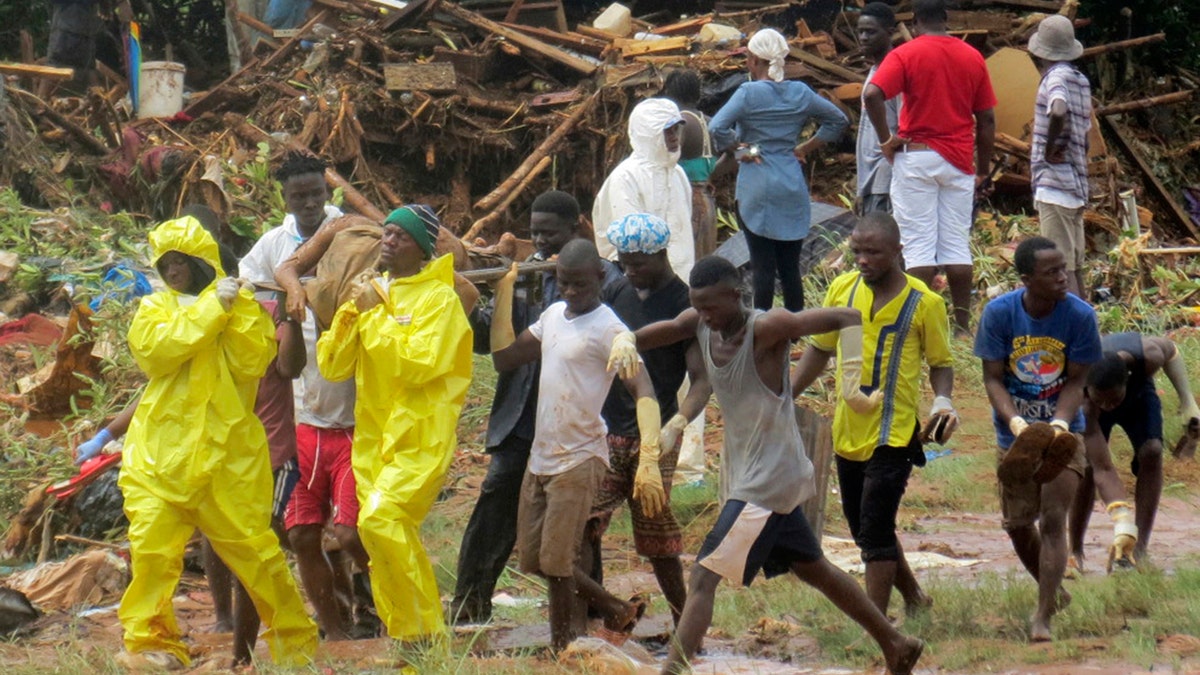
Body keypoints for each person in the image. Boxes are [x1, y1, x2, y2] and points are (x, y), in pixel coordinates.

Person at [610, 256, 922, 675]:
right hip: (750, 472)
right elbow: (661, 333)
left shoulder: (767, 328)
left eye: (711, 307)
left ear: (735, 296)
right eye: (697, 306)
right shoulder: (698, 323)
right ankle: (897, 642)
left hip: (767, 478)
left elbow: (847, 315)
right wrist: (626, 340)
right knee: (817, 570)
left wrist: (851, 386)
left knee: (704, 577)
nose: (705, 316)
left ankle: (672, 672)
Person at [116, 216, 317, 670]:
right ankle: (151, 642)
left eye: (180, 263)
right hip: (159, 458)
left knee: (257, 554)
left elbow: (253, 362)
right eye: (164, 264)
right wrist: (212, 309)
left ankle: (294, 643)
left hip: (227, 459)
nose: (172, 273)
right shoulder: (156, 310)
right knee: (150, 551)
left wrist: (238, 307)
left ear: (199, 261)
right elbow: (157, 353)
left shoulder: (237, 309)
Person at [448, 191, 640, 625]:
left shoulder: (606, 282)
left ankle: (588, 615)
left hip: (578, 424)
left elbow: (625, 358)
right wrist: (480, 297)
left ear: (575, 230)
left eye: (549, 233)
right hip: (521, 416)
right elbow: (493, 345)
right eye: (534, 232)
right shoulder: (524, 275)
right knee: (496, 507)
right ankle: (469, 604)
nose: (539, 241)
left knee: (579, 529)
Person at [490, 239, 661, 651]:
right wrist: (502, 294)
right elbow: (504, 358)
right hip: (542, 456)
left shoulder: (610, 330)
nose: (570, 292)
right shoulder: (551, 316)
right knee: (533, 559)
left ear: (601, 278)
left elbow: (643, 387)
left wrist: (651, 454)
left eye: (580, 285)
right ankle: (616, 608)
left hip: (580, 456)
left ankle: (563, 644)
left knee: (558, 561)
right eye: (564, 283)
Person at [316, 206, 473, 641]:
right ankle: (412, 638)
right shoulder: (374, 294)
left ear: (420, 250)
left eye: (399, 236)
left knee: (381, 521)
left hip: (420, 439)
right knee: (381, 538)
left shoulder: (440, 301)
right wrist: (352, 312)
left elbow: (416, 365)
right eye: (385, 233)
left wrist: (379, 316)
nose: (387, 241)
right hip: (373, 443)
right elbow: (332, 365)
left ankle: (423, 634)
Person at [790, 212, 950, 617]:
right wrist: (785, 394)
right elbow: (821, 349)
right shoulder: (842, 290)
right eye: (857, 251)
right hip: (847, 431)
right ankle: (915, 598)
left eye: (873, 252)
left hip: (894, 433)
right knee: (865, 525)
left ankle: (875, 625)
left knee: (875, 529)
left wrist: (943, 402)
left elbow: (941, 362)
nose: (862, 259)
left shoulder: (924, 302)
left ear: (897, 251)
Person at [240, 152, 368, 641]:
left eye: (316, 193)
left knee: (356, 532)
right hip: (301, 410)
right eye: (299, 196)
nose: (310, 203)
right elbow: (249, 290)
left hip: (356, 407)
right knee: (300, 534)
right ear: (285, 199)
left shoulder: (351, 232)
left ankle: (384, 608)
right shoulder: (272, 246)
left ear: (329, 192)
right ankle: (335, 632)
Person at [974, 236, 1101, 641]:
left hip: (1064, 433)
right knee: (1016, 525)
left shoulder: (1080, 316)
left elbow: (1078, 380)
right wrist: (1015, 425)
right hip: (1015, 433)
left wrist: (1061, 424)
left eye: (1064, 269)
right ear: (1027, 279)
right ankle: (1055, 592)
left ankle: (1042, 615)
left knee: (1052, 519)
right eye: (1052, 272)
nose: (1064, 278)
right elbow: (993, 378)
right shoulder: (999, 314)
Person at [586, 213, 703, 625]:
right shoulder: (616, 292)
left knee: (658, 537)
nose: (631, 270)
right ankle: (601, 611)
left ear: (662, 254)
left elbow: (702, 379)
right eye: (625, 262)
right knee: (585, 524)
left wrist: (679, 424)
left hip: (654, 436)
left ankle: (684, 622)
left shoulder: (685, 303)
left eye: (639, 263)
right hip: (607, 431)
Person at [863, 0, 996, 335]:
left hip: (917, 157)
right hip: (959, 162)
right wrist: (982, 169)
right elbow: (987, 118)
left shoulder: (906, 54)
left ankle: (914, 324)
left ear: (916, 19)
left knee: (918, 242)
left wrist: (885, 140)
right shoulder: (971, 56)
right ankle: (962, 327)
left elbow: (872, 94)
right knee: (955, 244)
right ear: (946, 19)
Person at [709, 28, 849, 312]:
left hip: (756, 183)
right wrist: (804, 149)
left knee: (762, 269)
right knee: (790, 271)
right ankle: (794, 331)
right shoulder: (799, 92)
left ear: (752, 60)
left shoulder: (748, 93)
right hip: (790, 183)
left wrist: (741, 150)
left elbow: (716, 127)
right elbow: (838, 120)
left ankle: (762, 333)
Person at [1070, 333, 1200, 571]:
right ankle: (1075, 548)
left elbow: (1171, 350)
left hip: (1139, 396)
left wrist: (1187, 401)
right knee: (1088, 467)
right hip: (1095, 410)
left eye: (1113, 399)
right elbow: (1104, 468)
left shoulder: (1147, 355)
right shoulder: (1087, 402)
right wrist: (1122, 521)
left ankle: (1140, 549)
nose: (1109, 406)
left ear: (1126, 381)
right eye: (1103, 401)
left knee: (1152, 451)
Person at [593, 98, 696, 280]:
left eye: (675, 130)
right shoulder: (626, 178)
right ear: (649, 134)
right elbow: (633, 243)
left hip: (682, 280)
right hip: (641, 281)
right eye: (666, 131)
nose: (673, 137)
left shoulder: (677, 173)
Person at [1028, 14, 1092, 299]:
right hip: (1076, 183)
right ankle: (1088, 328)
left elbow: (1057, 110)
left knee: (1057, 268)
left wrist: (1047, 148)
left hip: (1056, 185)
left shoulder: (1055, 78)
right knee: (1074, 266)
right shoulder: (1080, 80)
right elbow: (1084, 132)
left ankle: (1075, 333)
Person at [661, 69, 717, 258]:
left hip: (688, 205)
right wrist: (711, 176)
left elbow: (667, 159)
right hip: (706, 201)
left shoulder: (681, 123)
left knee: (687, 262)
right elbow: (734, 153)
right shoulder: (708, 121)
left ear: (670, 93)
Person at [855, 3, 901, 215]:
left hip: (886, 178)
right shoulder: (875, 70)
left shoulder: (896, 73)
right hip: (870, 179)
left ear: (890, 32)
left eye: (870, 32)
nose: (863, 37)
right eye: (860, 31)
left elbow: (905, 129)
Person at [42, 0, 132, 95]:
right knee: (55, 66)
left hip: (83, 33)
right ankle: (39, 106)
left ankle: (100, 103)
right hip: (67, 33)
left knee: (87, 69)